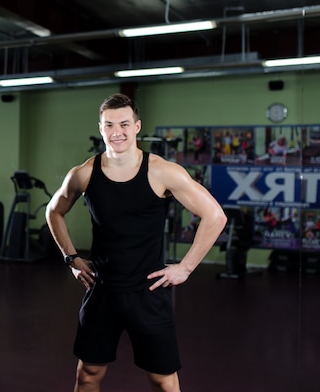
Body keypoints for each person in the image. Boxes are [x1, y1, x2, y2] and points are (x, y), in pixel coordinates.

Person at [45, 93, 227, 392]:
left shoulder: (162, 171)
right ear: (100, 128)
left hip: (148, 292)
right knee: (88, 374)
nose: (117, 131)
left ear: (137, 126)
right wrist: (72, 259)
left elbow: (215, 216)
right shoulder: (84, 174)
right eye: (109, 125)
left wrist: (186, 268)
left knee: (163, 379)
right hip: (102, 291)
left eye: (124, 124)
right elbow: (54, 211)